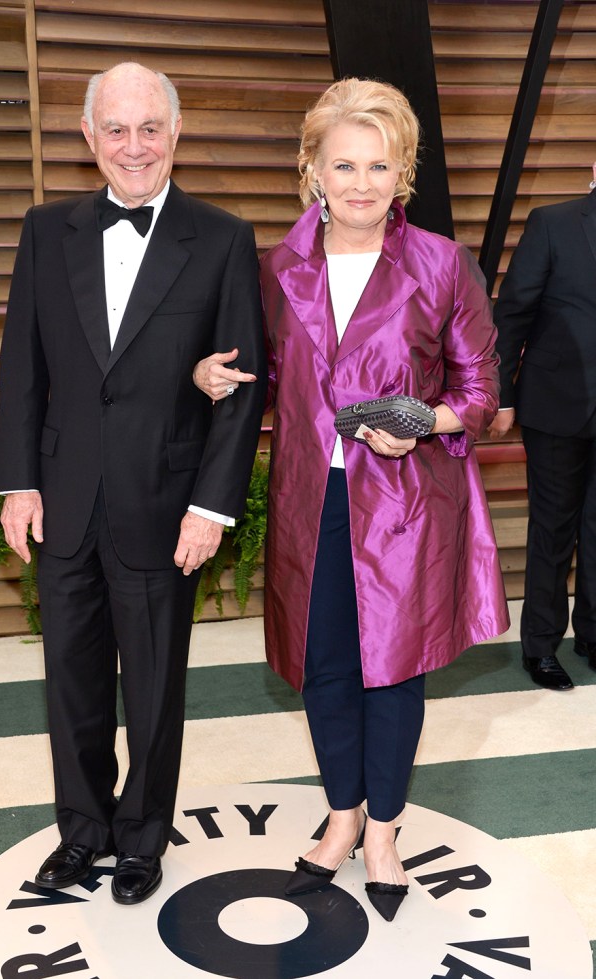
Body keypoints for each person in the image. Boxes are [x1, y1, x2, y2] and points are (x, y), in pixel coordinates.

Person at [195, 78, 509, 922]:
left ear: (402, 171)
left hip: (405, 503)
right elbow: (261, 377)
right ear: (313, 170)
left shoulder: (442, 262)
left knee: (393, 672)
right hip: (312, 498)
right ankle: (342, 816)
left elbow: (480, 391)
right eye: (345, 163)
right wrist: (211, 378)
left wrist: (426, 418)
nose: (362, 182)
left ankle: (385, 831)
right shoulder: (276, 267)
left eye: (380, 164)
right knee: (323, 666)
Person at [0, 62, 266, 905]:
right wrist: (17, 482)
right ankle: (82, 831)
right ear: (88, 136)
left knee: (152, 688)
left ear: (176, 133)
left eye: (150, 127)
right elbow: (20, 369)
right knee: (70, 683)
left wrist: (212, 503)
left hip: (164, 502)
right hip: (63, 502)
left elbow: (243, 384)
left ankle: (144, 836)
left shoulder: (221, 238)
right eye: (116, 128)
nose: (134, 146)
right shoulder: (46, 230)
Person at [488, 163, 596, 690]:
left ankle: (594, 637)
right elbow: (512, 314)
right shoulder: (552, 222)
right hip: (556, 405)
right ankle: (541, 646)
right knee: (553, 528)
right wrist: (502, 394)